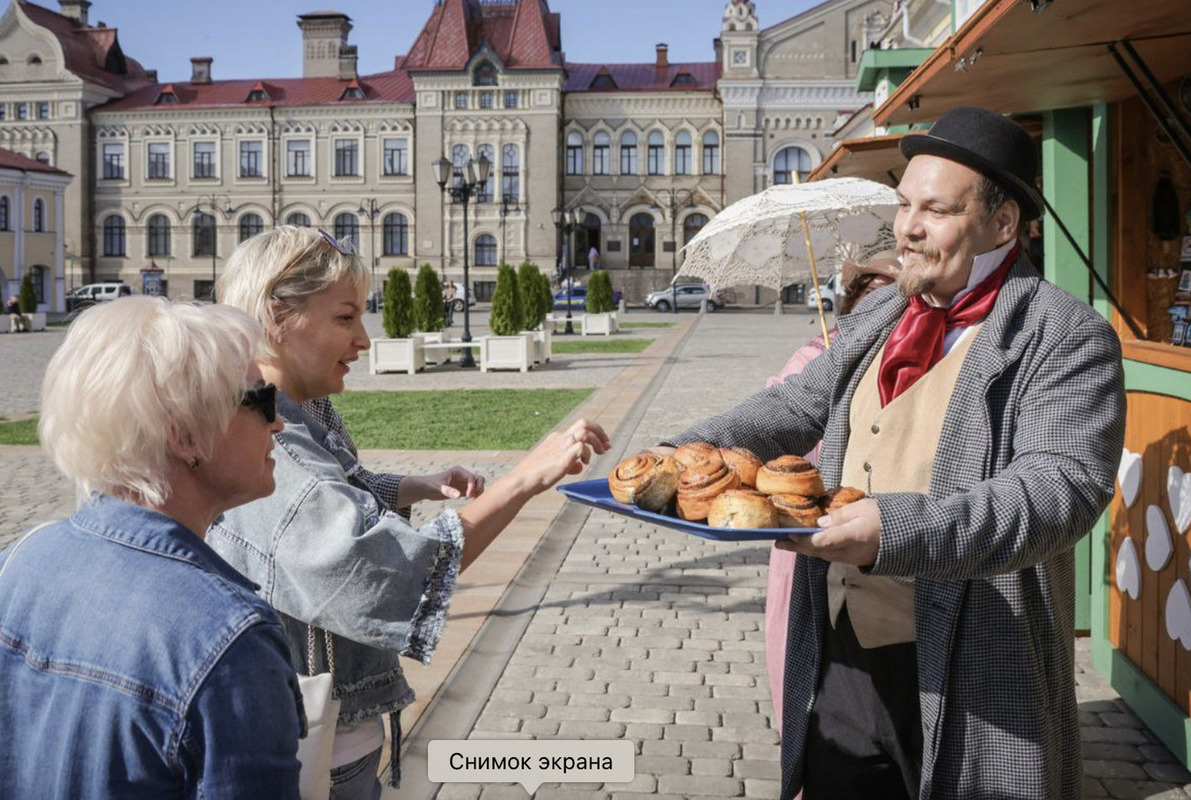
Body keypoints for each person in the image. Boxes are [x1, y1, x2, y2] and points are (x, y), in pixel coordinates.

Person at [662, 107, 1125, 799]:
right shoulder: (884, 311)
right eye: (904, 203)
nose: (906, 227)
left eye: (935, 210)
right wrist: (682, 453)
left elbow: (1059, 490)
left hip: (979, 658)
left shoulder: (1066, 335)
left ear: (1003, 223)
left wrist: (896, 530)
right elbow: (793, 405)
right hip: (847, 644)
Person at [209, 226, 610, 798]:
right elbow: (390, 571)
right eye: (346, 318)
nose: (366, 340)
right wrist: (525, 478)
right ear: (277, 316)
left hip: (339, 723)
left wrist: (414, 486)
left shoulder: (300, 407)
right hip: (319, 745)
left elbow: (339, 487)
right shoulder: (271, 440)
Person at [0, 297, 302, 798]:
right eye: (263, 400)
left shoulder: (17, 562)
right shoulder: (231, 642)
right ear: (184, 435)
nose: (279, 423)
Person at [763, 255, 899, 734]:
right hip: (809, 539)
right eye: (873, 297)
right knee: (805, 658)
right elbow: (782, 419)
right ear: (853, 305)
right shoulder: (815, 356)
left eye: (895, 298)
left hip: (886, 555)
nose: (885, 309)